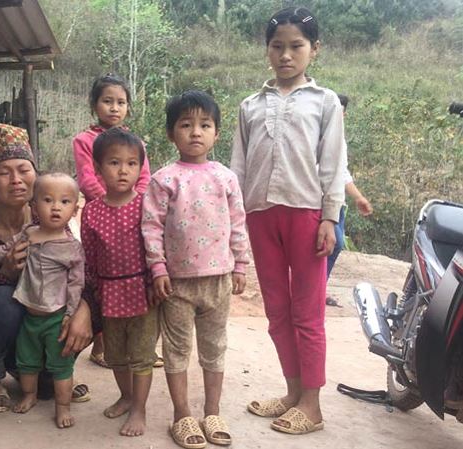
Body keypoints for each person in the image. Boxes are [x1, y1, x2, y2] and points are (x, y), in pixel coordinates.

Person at [230, 7, 347, 435]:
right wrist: (233, 220)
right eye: (277, 46)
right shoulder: (250, 105)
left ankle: (312, 406)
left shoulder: (325, 102)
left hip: (306, 215)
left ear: (314, 49)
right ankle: (293, 392)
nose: (285, 55)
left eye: (296, 46)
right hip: (261, 216)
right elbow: (238, 167)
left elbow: (333, 164)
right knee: (277, 311)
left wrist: (329, 218)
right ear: (267, 50)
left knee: (307, 313)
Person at [0, 122, 96, 415]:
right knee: (5, 298)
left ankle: (53, 372)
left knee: (89, 308)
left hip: (40, 331)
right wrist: (3, 275)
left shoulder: (56, 227)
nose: (16, 180)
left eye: (24, 170)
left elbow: (80, 276)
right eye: (3, 172)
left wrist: (84, 310)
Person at [142, 90, 249, 449]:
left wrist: (241, 264)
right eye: (186, 125)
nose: (196, 132)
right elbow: (151, 227)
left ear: (216, 133)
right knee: (176, 350)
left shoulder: (226, 177)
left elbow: (238, 223)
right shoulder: (164, 179)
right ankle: (182, 415)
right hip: (176, 284)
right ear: (171, 133)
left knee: (214, 347)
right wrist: (157, 268)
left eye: (205, 125)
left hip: (218, 280)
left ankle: (212, 412)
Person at [0, 172, 84, 428]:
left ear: (74, 209)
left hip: (56, 319)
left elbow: (76, 283)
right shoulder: (28, 234)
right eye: (47, 200)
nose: (56, 207)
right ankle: (29, 395)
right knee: (27, 363)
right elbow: (3, 251)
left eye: (64, 202)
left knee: (60, 366)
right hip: (29, 317)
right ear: (34, 206)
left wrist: (72, 312)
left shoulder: (72, 248)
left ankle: (63, 407)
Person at [80, 127, 157, 437]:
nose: (123, 170)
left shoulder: (147, 205)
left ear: (140, 167)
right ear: (98, 168)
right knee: (115, 354)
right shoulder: (91, 212)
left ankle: (139, 409)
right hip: (108, 292)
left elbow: (158, 247)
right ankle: (126, 396)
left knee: (141, 354)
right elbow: (89, 255)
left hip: (143, 292)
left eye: (131, 163)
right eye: (114, 163)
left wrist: (156, 282)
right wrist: (92, 294)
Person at [72, 73, 153, 368]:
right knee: (103, 275)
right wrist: (109, 203)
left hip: (133, 214)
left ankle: (141, 345)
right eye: (107, 101)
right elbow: (87, 178)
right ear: (95, 105)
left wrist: (133, 203)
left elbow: (144, 178)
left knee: (134, 273)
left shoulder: (135, 142)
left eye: (121, 102)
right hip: (100, 215)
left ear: (128, 107)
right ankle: (102, 345)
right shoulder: (84, 140)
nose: (114, 108)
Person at [326, 95, 373, 303]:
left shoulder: (340, 139)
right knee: (333, 243)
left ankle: (318, 288)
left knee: (334, 245)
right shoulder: (320, 135)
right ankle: (312, 290)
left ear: (344, 114)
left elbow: (342, 173)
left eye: (340, 110)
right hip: (322, 201)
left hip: (337, 202)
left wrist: (358, 197)